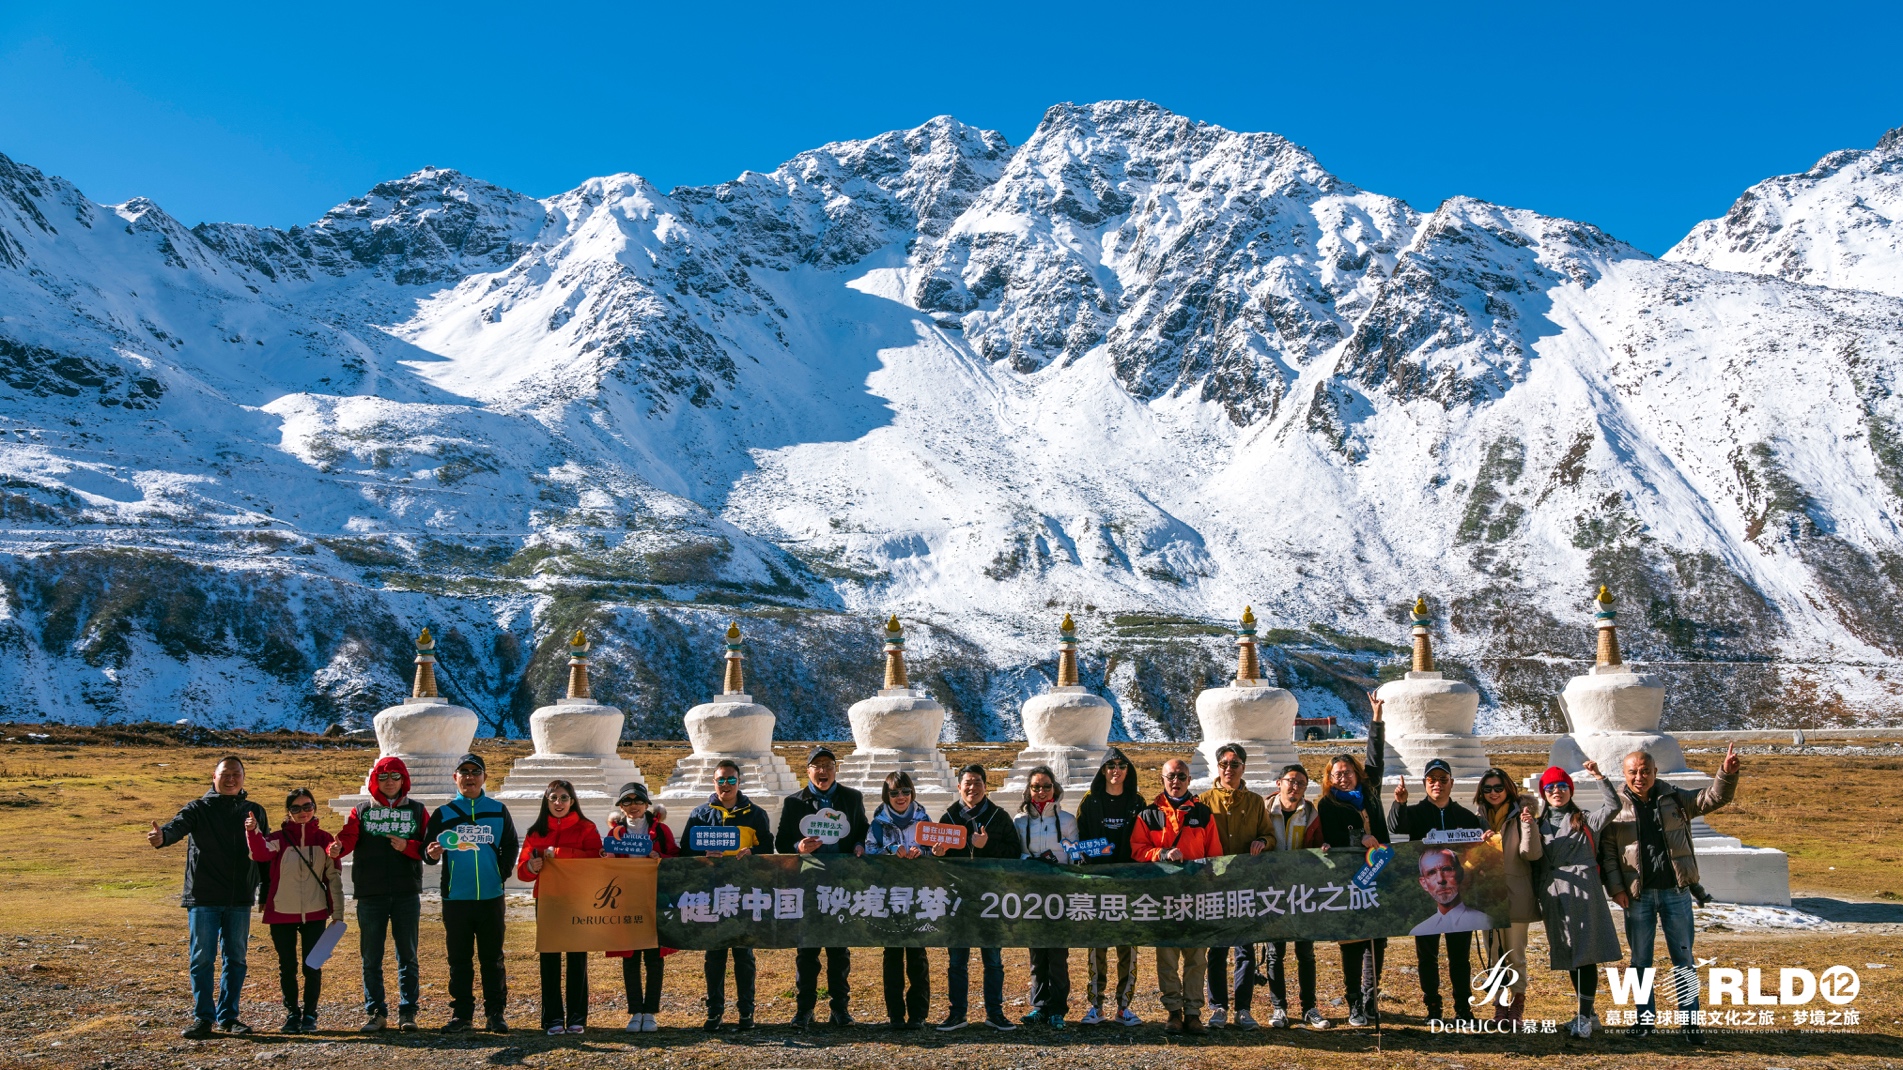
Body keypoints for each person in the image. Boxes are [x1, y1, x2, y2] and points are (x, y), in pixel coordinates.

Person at [1599, 745, 1741, 1043]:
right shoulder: (1615, 809)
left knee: (1684, 959)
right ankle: (1644, 1020)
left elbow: (1714, 797)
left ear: (1655, 772)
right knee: (1640, 962)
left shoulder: (1675, 798)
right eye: (1633, 772)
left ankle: (1690, 1024)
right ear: (1624, 775)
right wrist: (1616, 890)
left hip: (1676, 892)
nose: (1640, 777)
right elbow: (1609, 855)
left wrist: (1726, 773)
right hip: (1638, 895)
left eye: (1645, 771)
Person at [147, 754, 269, 1038]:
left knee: (236, 959)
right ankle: (203, 1017)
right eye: (225, 774)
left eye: (236, 774)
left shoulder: (254, 811)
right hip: (203, 896)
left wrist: (266, 888)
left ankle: (228, 1017)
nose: (230, 779)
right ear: (213, 778)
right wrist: (162, 836)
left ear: (243, 778)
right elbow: (176, 826)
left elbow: (265, 852)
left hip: (240, 897)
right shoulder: (197, 808)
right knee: (202, 958)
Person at [328, 756, 429, 1032]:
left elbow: (428, 848)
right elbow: (348, 837)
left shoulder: (418, 811)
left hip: (406, 892)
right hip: (370, 893)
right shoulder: (361, 811)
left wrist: (406, 846)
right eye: (383, 777)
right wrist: (338, 849)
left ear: (403, 780)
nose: (389, 782)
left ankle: (408, 1012)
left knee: (407, 954)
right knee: (370, 956)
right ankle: (376, 1012)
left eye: (395, 776)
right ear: (375, 780)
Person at [1306, 695, 1390, 1027]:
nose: (1344, 778)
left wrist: (1376, 718)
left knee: (1377, 938)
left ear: (1357, 774)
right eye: (1337, 774)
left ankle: (1371, 1000)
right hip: (1348, 878)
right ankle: (1354, 1000)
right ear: (1330, 778)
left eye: (1348, 772)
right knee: (1352, 938)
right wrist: (1358, 839)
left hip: (1378, 871)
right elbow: (1330, 839)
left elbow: (1376, 757)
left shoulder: (1369, 794)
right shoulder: (1327, 805)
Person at [422, 752, 519, 1034]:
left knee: (492, 958)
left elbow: (511, 845)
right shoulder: (444, 813)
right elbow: (428, 851)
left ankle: (495, 1014)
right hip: (456, 898)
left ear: (484, 778)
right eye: (463, 772)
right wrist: (431, 854)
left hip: (490, 896)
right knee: (459, 959)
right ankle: (462, 1014)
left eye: (475, 772)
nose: (469, 777)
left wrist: (500, 873)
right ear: (455, 778)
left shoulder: (498, 810)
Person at [774, 746, 869, 1029]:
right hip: (808, 883)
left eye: (828, 765)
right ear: (808, 771)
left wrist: (859, 844)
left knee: (839, 950)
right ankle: (804, 1009)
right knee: (807, 950)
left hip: (841, 882)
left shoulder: (851, 798)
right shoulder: (794, 803)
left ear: (835, 768)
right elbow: (781, 841)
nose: (823, 770)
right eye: (817, 766)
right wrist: (798, 846)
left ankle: (840, 1008)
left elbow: (862, 829)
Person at [681, 758, 774, 1032]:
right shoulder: (700, 814)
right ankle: (714, 1012)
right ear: (713, 782)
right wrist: (702, 856)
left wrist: (753, 854)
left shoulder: (756, 814)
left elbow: (769, 849)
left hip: (745, 892)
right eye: (721, 780)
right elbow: (685, 851)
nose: (726, 785)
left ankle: (747, 1012)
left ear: (739, 782)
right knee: (715, 955)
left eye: (731, 780)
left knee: (744, 954)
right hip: (712, 893)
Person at [1131, 757, 1223, 1034]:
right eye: (1171, 776)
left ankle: (1193, 1013)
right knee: (1167, 958)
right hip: (1163, 897)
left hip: (1195, 897)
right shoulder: (1148, 815)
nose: (1176, 781)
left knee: (1197, 958)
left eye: (1181, 776)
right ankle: (1173, 1011)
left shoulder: (1204, 814)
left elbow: (1215, 856)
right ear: (1162, 779)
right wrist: (1160, 853)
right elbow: (1137, 850)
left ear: (1189, 781)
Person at [1388, 757, 1484, 1023]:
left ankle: (1463, 1008)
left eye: (1443, 780)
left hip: (1459, 896)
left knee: (1459, 957)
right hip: (1427, 896)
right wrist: (1400, 803)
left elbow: (1478, 853)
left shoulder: (1465, 817)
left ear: (1451, 783)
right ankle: (1433, 1006)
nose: (1438, 784)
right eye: (1432, 780)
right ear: (1424, 784)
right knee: (1427, 955)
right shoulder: (1415, 813)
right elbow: (1396, 827)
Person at [1532, 764, 1623, 1039]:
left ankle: (1583, 1017)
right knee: (1571, 955)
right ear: (1544, 794)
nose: (1556, 791)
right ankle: (1590, 1014)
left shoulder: (1584, 820)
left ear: (1570, 790)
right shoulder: (1537, 825)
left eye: (1562, 786)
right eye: (1550, 788)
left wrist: (1600, 777)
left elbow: (1613, 806)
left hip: (1583, 892)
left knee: (1586, 954)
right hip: (1555, 894)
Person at [936, 763, 1022, 1032]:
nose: (972, 788)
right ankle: (957, 1013)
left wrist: (987, 846)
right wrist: (939, 854)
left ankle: (995, 1013)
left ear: (986, 785)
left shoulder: (999, 816)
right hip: (958, 898)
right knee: (957, 961)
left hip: (990, 897)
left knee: (993, 959)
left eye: (977, 782)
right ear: (959, 787)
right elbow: (940, 864)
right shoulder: (948, 819)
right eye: (967, 783)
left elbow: (1014, 853)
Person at [245, 787, 339, 1034]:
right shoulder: (278, 838)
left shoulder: (325, 839)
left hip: (316, 911)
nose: (303, 812)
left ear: (314, 808)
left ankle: (310, 1015)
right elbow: (259, 853)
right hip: (282, 911)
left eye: (307, 806)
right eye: (296, 808)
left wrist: (337, 912)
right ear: (288, 812)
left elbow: (333, 877)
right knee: (287, 965)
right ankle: (291, 1014)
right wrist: (252, 831)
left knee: (313, 965)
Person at [516, 778, 603, 1035]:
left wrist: (563, 853)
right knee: (549, 959)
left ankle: (577, 1016)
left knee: (577, 958)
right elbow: (523, 871)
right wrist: (532, 867)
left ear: (572, 801)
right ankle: (552, 1018)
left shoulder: (587, 828)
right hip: (548, 899)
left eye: (564, 798)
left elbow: (596, 860)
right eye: (553, 798)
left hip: (578, 899)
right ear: (546, 801)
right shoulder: (535, 832)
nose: (558, 803)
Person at [865, 771, 945, 1029]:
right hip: (888, 896)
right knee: (892, 956)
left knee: (917, 955)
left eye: (905, 792)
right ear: (886, 796)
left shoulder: (925, 821)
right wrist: (889, 850)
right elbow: (868, 852)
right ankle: (896, 1014)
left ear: (912, 793)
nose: (901, 797)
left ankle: (919, 1014)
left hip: (919, 895)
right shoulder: (878, 824)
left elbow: (934, 853)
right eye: (894, 793)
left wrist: (926, 852)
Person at [1201, 743, 1273, 1029]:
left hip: (1246, 885)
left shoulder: (1255, 802)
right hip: (1216, 886)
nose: (1228, 769)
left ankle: (1243, 1008)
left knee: (1245, 948)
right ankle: (1217, 1006)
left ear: (1244, 767)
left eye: (1235, 764)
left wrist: (1264, 842)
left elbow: (1269, 834)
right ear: (1217, 767)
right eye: (1224, 764)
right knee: (1216, 948)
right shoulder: (1204, 801)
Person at [1073, 747, 1142, 1027]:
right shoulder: (1090, 802)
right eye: (1111, 765)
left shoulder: (1137, 802)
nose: (1116, 770)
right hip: (1098, 884)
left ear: (1128, 771)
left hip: (1128, 884)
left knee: (1128, 946)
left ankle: (1124, 1006)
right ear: (1103, 770)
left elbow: (1142, 840)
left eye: (1122, 766)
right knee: (1096, 947)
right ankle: (1096, 1004)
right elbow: (1080, 839)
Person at [604, 782, 676, 1033]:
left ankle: (651, 1011)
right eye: (627, 802)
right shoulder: (615, 834)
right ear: (621, 808)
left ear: (647, 804)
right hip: (626, 899)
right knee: (630, 957)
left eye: (637, 801)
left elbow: (676, 858)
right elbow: (608, 865)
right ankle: (635, 1009)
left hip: (655, 899)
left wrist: (661, 859)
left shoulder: (661, 830)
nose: (632, 806)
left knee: (654, 958)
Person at [1013, 765, 1078, 1029]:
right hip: (1032, 892)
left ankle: (1058, 1009)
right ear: (1028, 791)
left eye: (1046, 786)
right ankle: (1039, 1006)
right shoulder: (1019, 821)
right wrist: (1031, 860)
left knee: (1058, 954)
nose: (1041, 792)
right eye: (1036, 787)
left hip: (1059, 891)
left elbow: (1075, 854)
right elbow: (1014, 853)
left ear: (1055, 789)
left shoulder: (1067, 821)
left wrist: (1064, 860)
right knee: (1037, 953)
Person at [1261, 763, 1325, 1030]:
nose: (1295, 787)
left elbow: (1320, 843)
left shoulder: (1311, 814)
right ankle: (1279, 1008)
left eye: (1301, 783)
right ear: (1279, 783)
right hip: (1272, 889)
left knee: (1305, 951)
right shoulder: (1264, 811)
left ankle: (1309, 1007)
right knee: (1275, 953)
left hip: (1302, 891)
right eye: (1290, 781)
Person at [1472, 766, 1535, 1022]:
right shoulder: (1476, 819)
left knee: (1516, 954)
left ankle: (1517, 1003)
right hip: (1488, 894)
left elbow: (1532, 854)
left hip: (1516, 891)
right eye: (1488, 789)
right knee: (1493, 953)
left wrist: (1529, 827)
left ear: (1508, 788)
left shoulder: (1524, 815)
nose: (1493, 793)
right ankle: (1499, 1002)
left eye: (1499, 787)